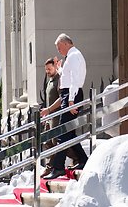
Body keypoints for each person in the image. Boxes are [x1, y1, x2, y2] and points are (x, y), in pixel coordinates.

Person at [42, 33, 88, 180]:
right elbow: (68, 77)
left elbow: (75, 80)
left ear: (66, 43)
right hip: (68, 95)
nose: (58, 50)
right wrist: (60, 69)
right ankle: (82, 159)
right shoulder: (72, 56)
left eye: (59, 46)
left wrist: (71, 100)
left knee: (62, 132)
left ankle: (58, 167)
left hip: (70, 96)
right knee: (69, 133)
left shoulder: (74, 55)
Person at [40, 57, 79, 178]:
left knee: (57, 142)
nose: (48, 71)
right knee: (48, 143)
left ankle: (77, 158)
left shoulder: (59, 80)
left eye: (50, 69)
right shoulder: (49, 81)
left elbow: (62, 98)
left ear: (55, 67)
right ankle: (50, 166)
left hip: (57, 116)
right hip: (50, 117)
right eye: (46, 69)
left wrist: (49, 110)